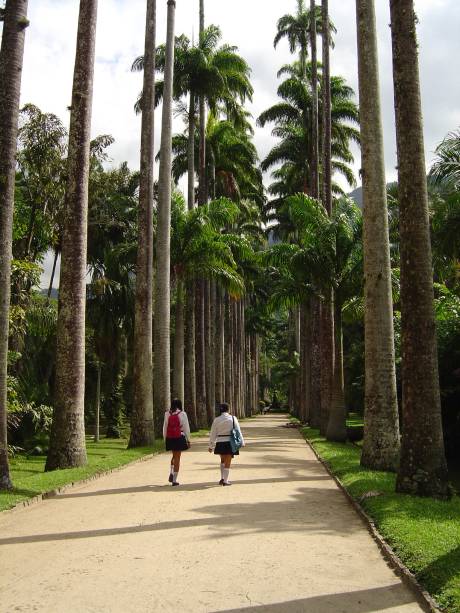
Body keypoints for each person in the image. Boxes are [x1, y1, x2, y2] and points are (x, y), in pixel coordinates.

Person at [208, 403, 244, 486]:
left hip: (220, 441)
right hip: (229, 442)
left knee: (222, 460)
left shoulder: (216, 419)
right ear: (228, 409)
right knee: (228, 461)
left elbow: (213, 433)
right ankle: (225, 480)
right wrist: (242, 441)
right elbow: (238, 431)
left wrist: (211, 445)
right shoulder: (233, 418)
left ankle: (222, 478)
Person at [163, 398, 191, 486]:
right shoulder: (182, 414)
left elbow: (165, 426)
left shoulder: (167, 413)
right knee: (177, 457)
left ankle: (171, 471)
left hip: (170, 437)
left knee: (174, 455)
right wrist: (188, 439)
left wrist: (165, 438)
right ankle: (174, 480)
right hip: (179, 436)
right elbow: (186, 428)